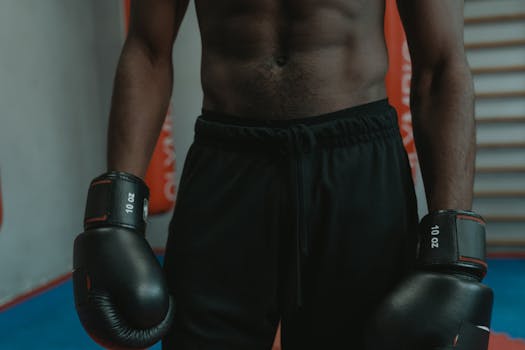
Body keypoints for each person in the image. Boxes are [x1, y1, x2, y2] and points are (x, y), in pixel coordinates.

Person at [72, 1, 494, 349]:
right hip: (227, 167)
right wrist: (116, 212)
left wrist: (453, 249)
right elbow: (147, 49)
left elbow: (441, 65)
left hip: (356, 167)